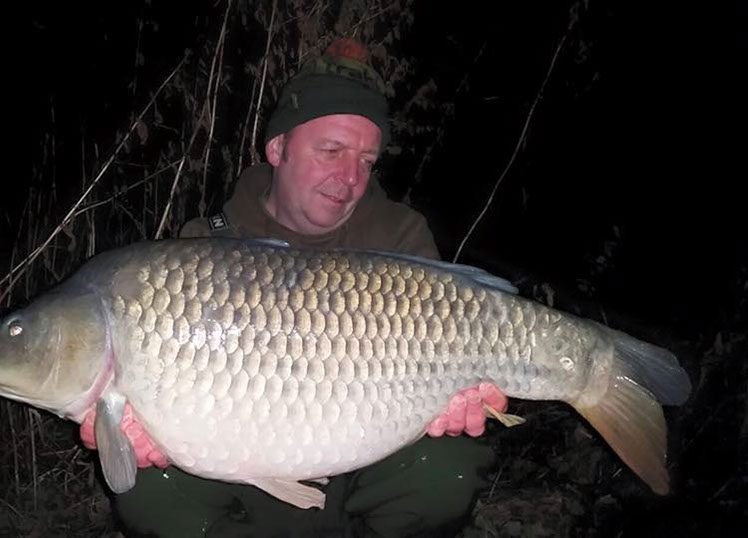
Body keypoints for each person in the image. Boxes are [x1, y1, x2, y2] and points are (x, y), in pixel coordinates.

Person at [82, 37, 509, 537]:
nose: (351, 177)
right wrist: (129, 431)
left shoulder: (399, 235)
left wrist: (464, 397)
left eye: (367, 160)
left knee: (447, 465)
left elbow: (459, 355)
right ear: (278, 147)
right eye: (331, 150)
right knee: (148, 489)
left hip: (368, 458)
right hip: (240, 470)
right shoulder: (202, 248)